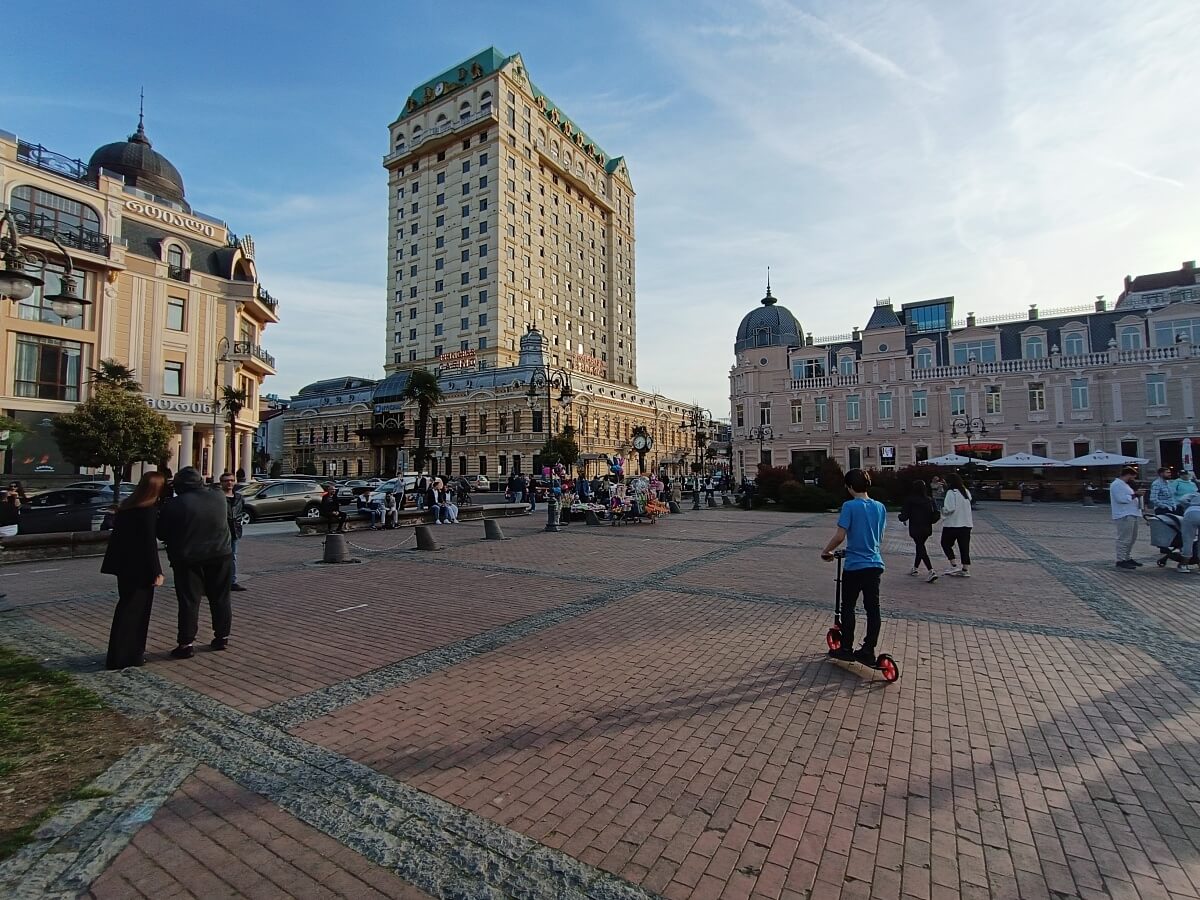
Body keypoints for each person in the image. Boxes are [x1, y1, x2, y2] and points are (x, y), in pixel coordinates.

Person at [157, 467, 233, 659]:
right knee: (221, 598)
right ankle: (222, 637)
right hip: (220, 554)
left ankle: (186, 643)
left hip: (188, 558)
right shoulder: (218, 496)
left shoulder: (175, 504)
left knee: (189, 601)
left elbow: (161, 532)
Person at [820, 468, 887, 666]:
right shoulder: (880, 507)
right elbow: (878, 537)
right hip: (874, 563)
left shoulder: (849, 506)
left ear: (849, 487)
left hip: (855, 565)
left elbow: (840, 535)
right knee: (873, 609)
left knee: (848, 606)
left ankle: (846, 647)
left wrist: (827, 551)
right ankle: (868, 649)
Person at [101, 471, 166, 669]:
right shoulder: (147, 511)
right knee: (137, 613)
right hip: (140, 568)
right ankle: (131, 654)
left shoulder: (127, 507)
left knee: (126, 608)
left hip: (124, 566)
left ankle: (120, 654)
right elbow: (149, 544)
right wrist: (157, 571)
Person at [899, 480, 940, 583]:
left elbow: (904, 515)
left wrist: (901, 517)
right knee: (920, 546)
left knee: (920, 547)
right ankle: (915, 568)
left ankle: (931, 570)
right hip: (926, 528)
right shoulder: (930, 500)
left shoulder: (910, 500)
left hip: (915, 528)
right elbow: (936, 513)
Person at [940, 473, 974, 577]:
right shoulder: (965, 492)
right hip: (966, 523)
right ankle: (965, 568)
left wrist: (942, 511)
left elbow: (949, 508)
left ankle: (953, 564)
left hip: (953, 524)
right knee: (964, 547)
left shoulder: (951, 492)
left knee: (945, 543)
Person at [1110, 465, 1143, 570]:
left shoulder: (1126, 485)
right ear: (1128, 475)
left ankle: (1127, 557)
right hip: (1124, 514)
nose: (1133, 479)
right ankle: (1120, 559)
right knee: (1124, 538)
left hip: (1132, 513)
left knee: (1131, 538)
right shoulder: (1116, 484)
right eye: (1132, 477)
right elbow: (1121, 499)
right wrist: (1135, 495)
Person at [218, 472, 247, 592]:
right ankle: (218, 582)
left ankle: (232, 582)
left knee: (232, 557)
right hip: (221, 532)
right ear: (221, 483)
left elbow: (240, 512)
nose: (229, 483)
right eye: (226, 481)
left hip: (234, 531)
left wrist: (239, 524)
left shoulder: (239, 497)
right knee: (219, 558)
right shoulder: (218, 497)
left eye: (231, 480)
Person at [1178, 493, 1200, 573]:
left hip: (1191, 513)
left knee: (1188, 539)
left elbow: (1182, 500)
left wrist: (1188, 505)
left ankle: (1184, 564)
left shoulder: (1195, 494)